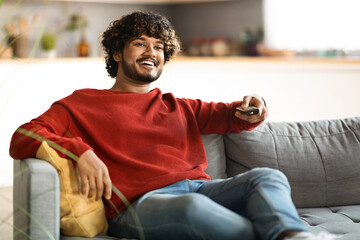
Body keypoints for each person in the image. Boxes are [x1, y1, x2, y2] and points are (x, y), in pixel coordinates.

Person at [10, 11, 337, 240]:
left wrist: (255, 105)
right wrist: (81, 151)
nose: (151, 52)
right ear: (116, 53)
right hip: (136, 207)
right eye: (140, 43)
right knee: (191, 207)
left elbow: (235, 115)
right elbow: (22, 137)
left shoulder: (178, 106)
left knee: (268, 176)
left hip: (201, 190)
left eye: (159, 47)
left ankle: (293, 236)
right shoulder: (81, 103)